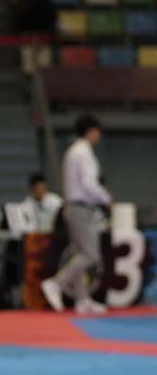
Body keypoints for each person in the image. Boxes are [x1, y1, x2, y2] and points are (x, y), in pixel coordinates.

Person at [41, 114, 111, 315]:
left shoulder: (74, 151)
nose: (99, 136)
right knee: (90, 254)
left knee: (80, 253)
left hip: (73, 207)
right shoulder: (83, 153)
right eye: (98, 132)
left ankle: (82, 300)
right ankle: (56, 283)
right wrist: (106, 198)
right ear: (92, 131)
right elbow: (89, 184)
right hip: (82, 208)